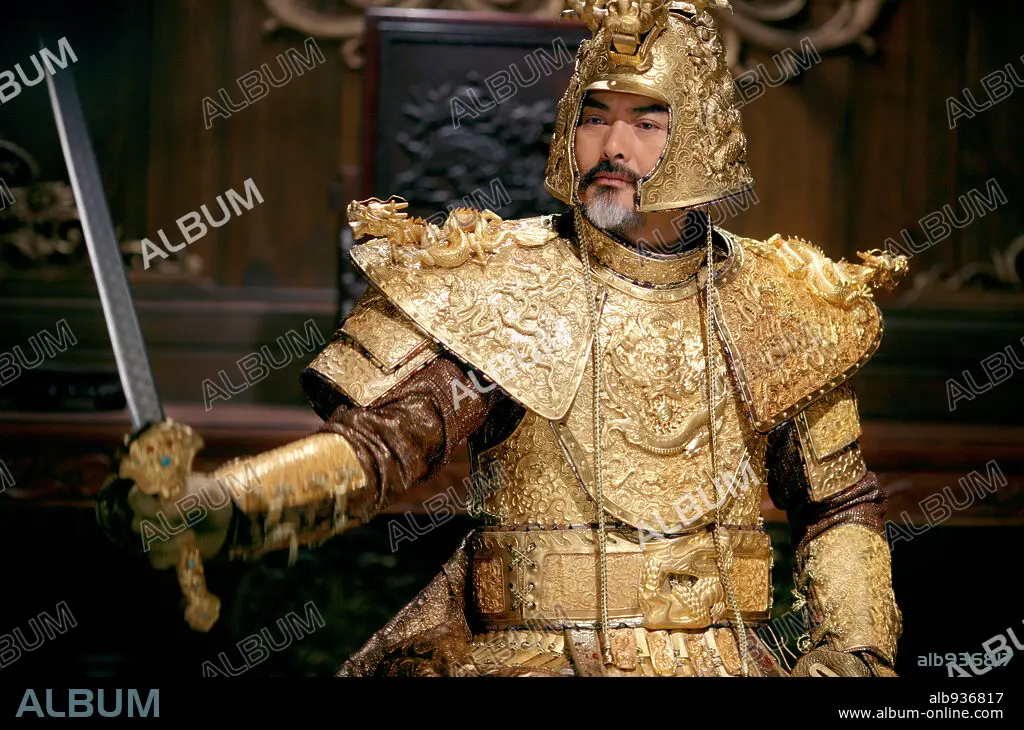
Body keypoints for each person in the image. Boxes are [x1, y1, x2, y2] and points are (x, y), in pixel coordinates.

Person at [115, 0, 907, 677]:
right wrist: (228, 504)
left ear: (697, 135)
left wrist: (856, 651)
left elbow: (839, 505)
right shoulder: (507, 282)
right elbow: (380, 449)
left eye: (645, 121)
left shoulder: (781, 303)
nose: (612, 146)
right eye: (594, 117)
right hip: (536, 658)